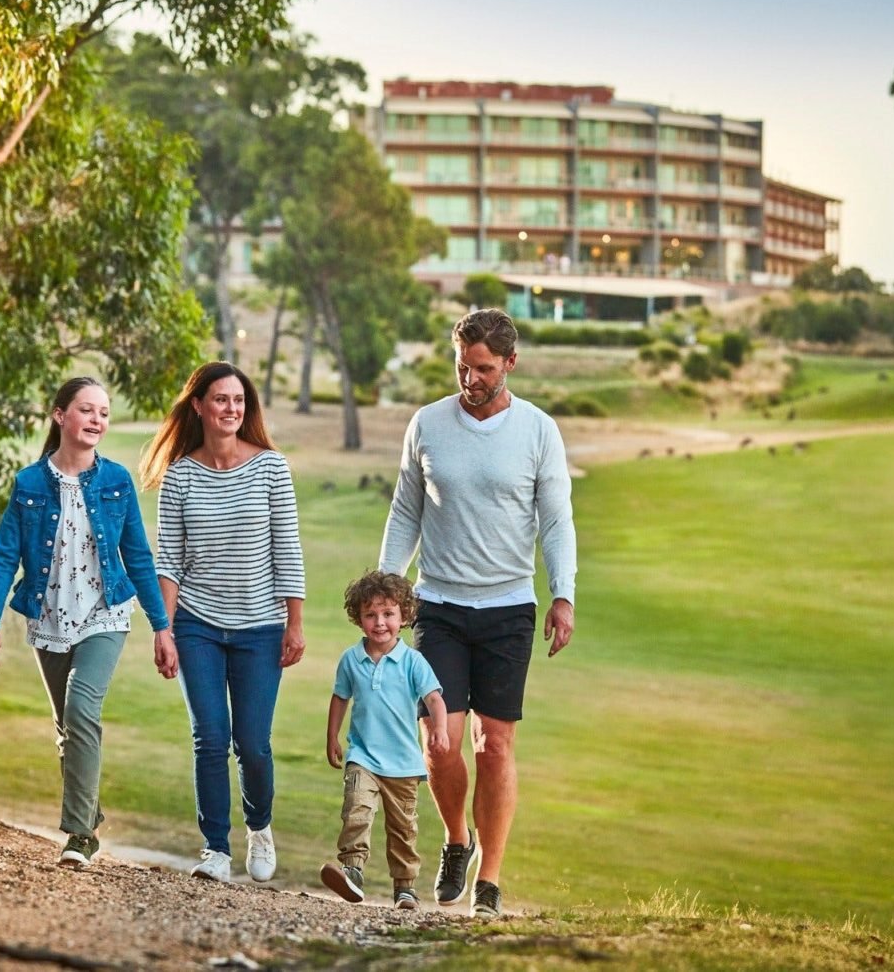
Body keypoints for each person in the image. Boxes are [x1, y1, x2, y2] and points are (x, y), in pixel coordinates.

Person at [378, 308, 577, 918]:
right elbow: (405, 510)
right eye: (462, 366)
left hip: (508, 608)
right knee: (440, 743)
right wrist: (388, 589)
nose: (470, 379)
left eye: (483, 369)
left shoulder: (539, 431)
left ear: (510, 364)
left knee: (495, 746)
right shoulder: (428, 424)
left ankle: (488, 879)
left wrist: (563, 594)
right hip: (436, 603)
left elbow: (556, 520)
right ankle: (456, 840)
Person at [0, 377, 178, 869]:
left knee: (82, 711)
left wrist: (161, 626)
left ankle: (79, 835)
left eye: (103, 413)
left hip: (105, 613)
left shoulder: (116, 481)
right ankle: (89, 806)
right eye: (86, 410)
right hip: (49, 618)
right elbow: (4, 558)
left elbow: (138, 556)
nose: (96, 420)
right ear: (59, 415)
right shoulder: (28, 484)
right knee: (68, 727)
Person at [138, 361, 306, 885]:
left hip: (260, 627)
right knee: (210, 736)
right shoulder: (180, 476)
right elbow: (169, 560)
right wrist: (162, 630)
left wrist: (294, 623)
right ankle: (215, 848)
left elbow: (288, 549)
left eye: (238, 400)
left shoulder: (271, 468)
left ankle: (259, 827)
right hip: (198, 626)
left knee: (252, 742)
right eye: (220, 400)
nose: (231, 409)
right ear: (199, 406)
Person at [321, 571, 449, 910]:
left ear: (404, 616)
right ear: (359, 618)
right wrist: (333, 736)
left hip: (404, 764)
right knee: (356, 810)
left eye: (388, 614)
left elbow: (435, 698)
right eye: (371, 615)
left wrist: (439, 729)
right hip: (362, 755)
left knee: (403, 829)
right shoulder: (351, 659)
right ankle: (352, 871)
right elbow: (340, 698)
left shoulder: (412, 662)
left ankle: (405, 887)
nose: (380, 623)